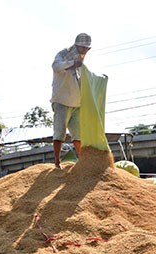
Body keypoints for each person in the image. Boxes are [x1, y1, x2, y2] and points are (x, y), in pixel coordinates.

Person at [50, 33, 92, 168]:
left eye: (86, 49)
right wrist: (72, 63)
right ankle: (57, 162)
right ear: (77, 46)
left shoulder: (81, 63)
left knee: (78, 134)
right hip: (62, 100)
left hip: (76, 102)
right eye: (83, 48)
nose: (84, 51)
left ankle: (83, 161)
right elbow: (56, 66)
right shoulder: (63, 54)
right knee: (59, 132)